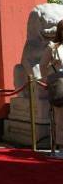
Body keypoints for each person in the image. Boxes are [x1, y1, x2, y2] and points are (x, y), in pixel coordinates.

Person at [39, 19, 63, 148]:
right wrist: (46, 80)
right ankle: (61, 146)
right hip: (59, 84)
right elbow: (42, 65)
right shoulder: (52, 47)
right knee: (60, 118)